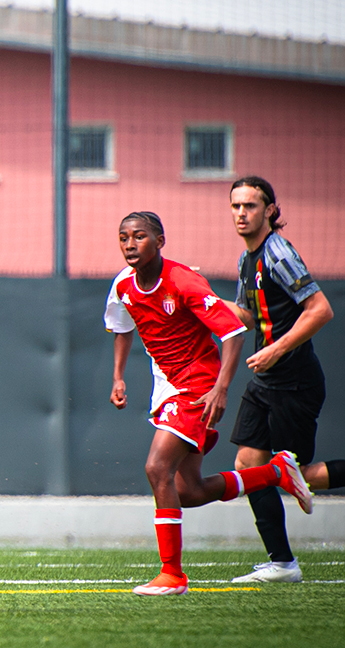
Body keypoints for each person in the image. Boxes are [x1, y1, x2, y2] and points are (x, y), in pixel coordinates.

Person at [105, 211, 312, 596]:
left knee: (157, 468)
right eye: (123, 237)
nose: (130, 244)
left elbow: (233, 332)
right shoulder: (123, 285)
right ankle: (275, 472)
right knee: (189, 492)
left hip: (198, 384)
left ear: (160, 241)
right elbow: (121, 327)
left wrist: (220, 388)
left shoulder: (183, 281)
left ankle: (172, 575)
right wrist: (118, 376)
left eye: (139, 237)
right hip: (167, 387)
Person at [221, 176, 344, 583]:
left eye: (251, 206)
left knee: (297, 474)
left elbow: (320, 309)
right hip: (266, 380)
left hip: (293, 380)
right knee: (249, 464)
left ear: (270, 211)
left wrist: (276, 349)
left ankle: (283, 563)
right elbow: (246, 315)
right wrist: (201, 299)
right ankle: (282, 564)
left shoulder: (277, 252)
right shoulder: (247, 259)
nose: (242, 213)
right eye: (236, 206)